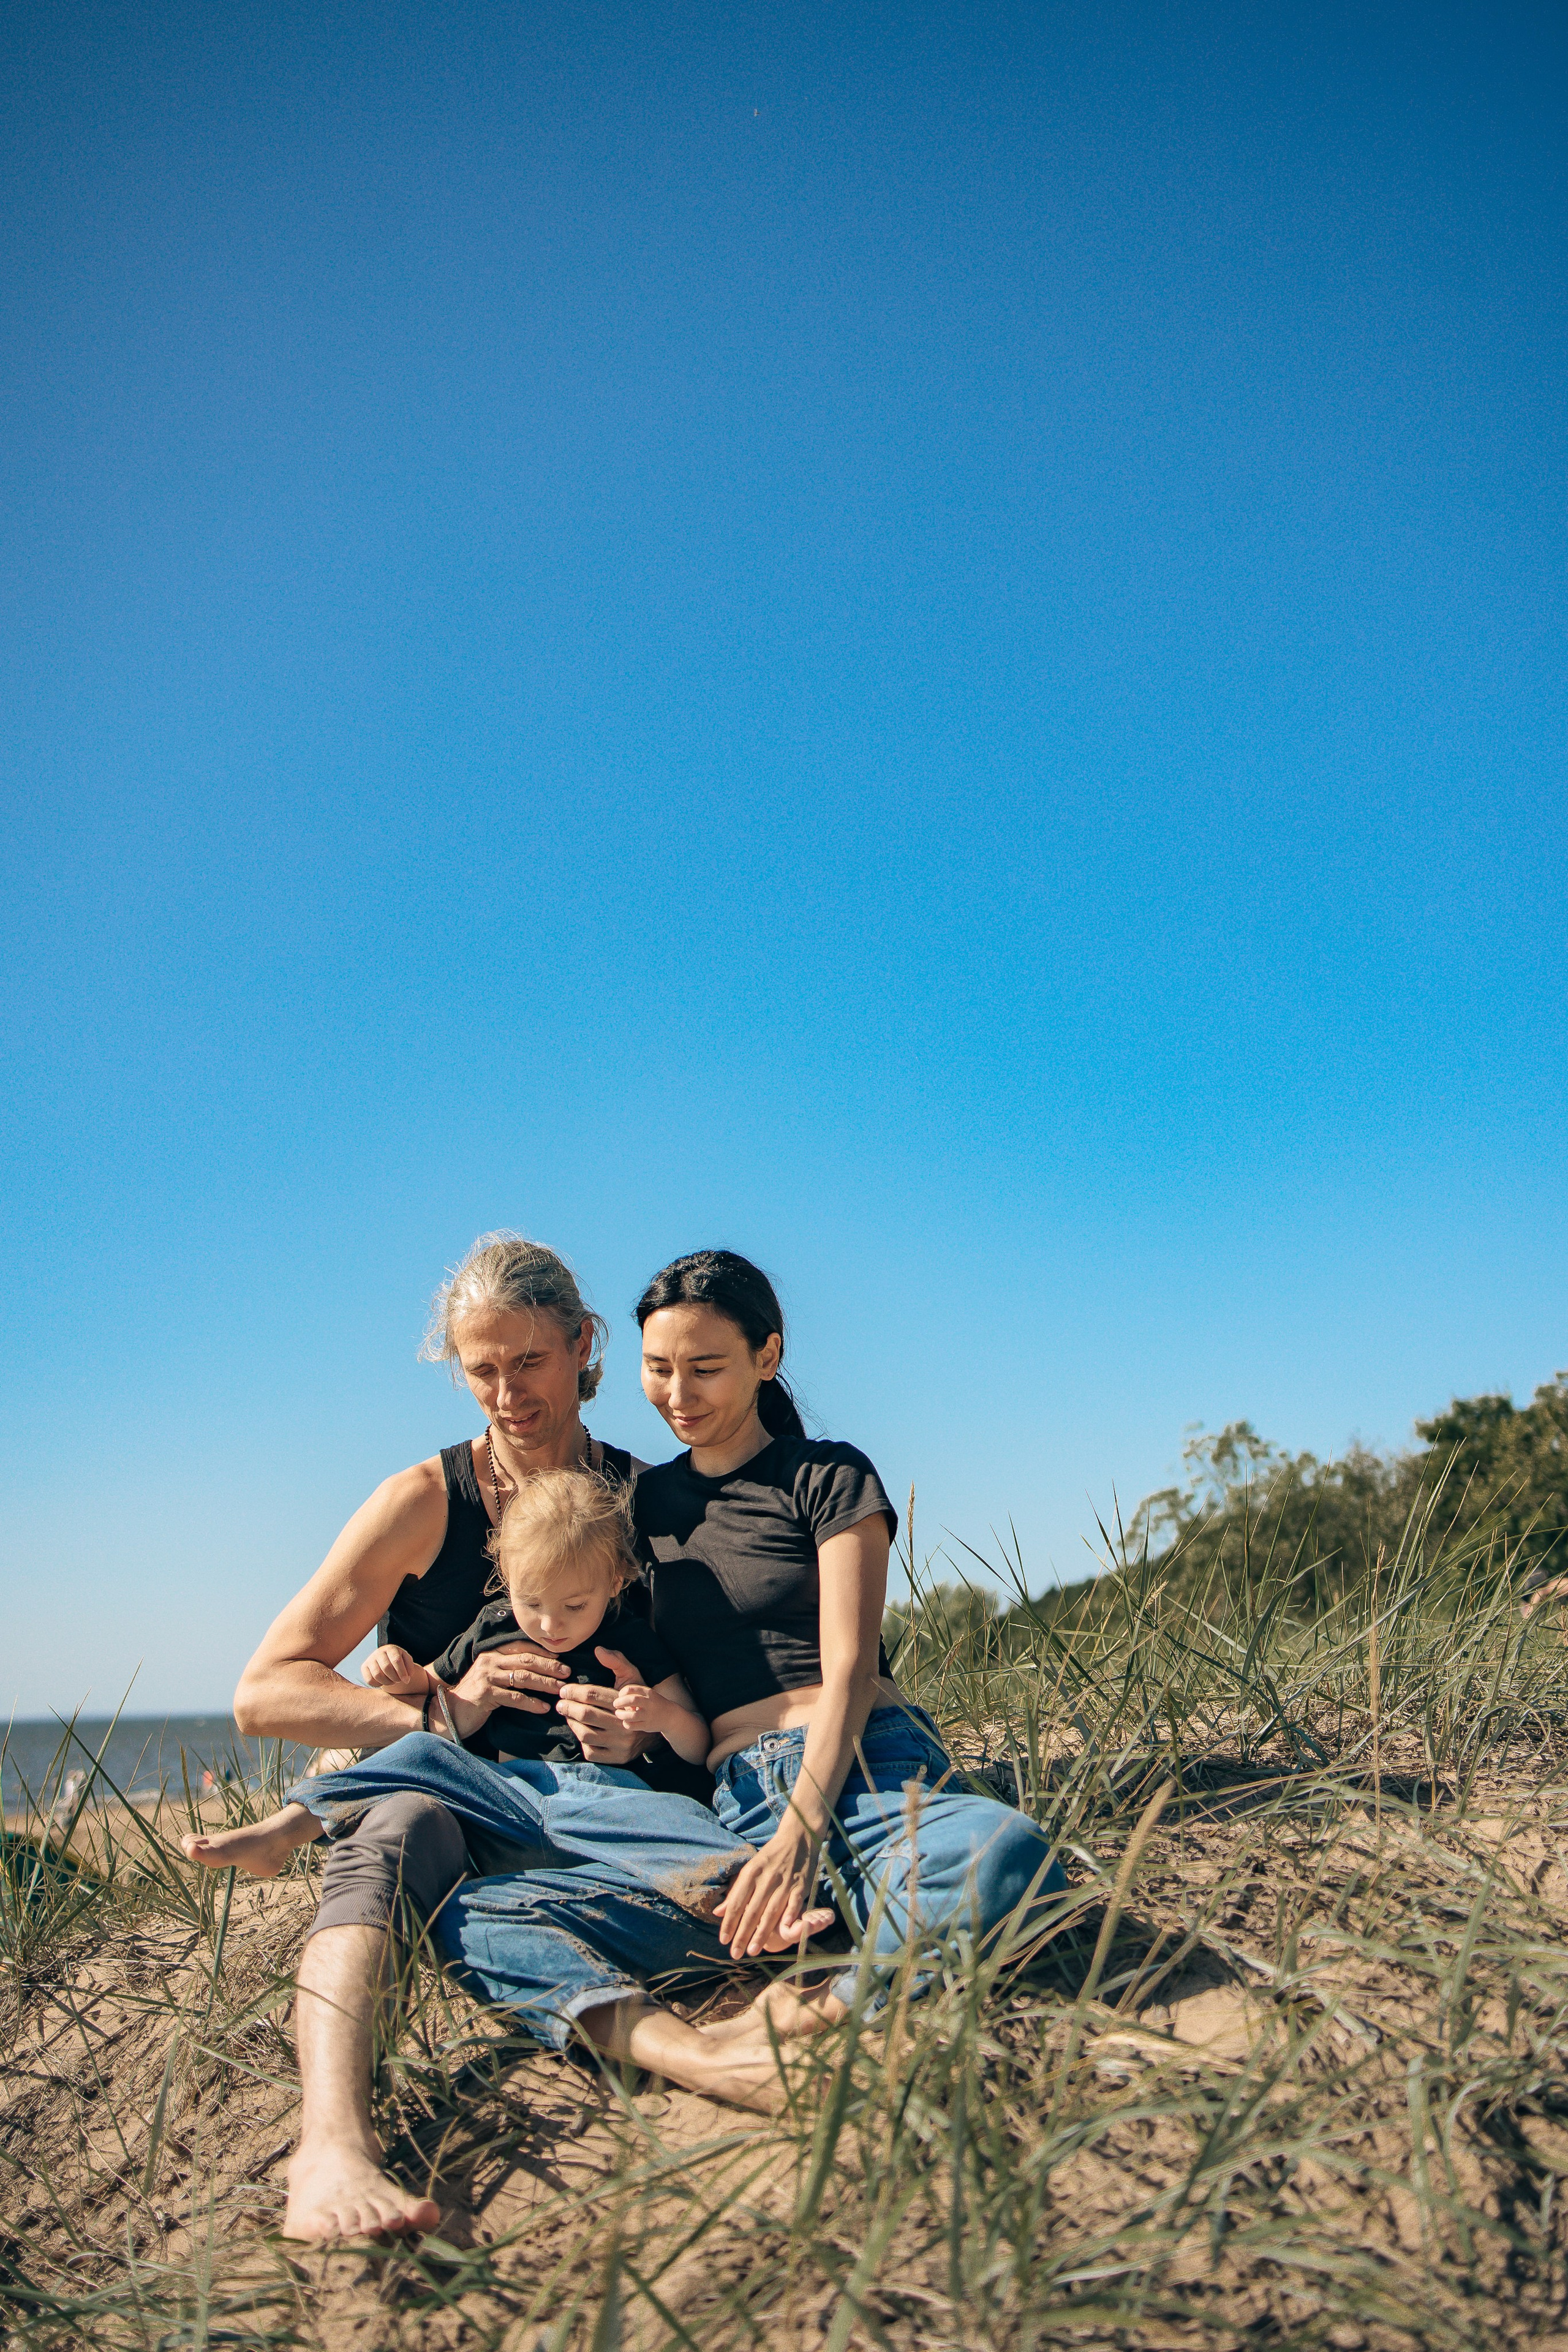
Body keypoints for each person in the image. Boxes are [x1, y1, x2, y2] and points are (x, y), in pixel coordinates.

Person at [184, 1467, 712, 1877]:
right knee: (419, 1749)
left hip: (601, 1793)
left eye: (575, 1606)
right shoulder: (495, 1627)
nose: (551, 1625)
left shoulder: (629, 1638)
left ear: (617, 1580)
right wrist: (401, 1672)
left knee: (682, 1826)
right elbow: (434, 1685)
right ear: (505, 1574)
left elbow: (696, 1740)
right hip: (501, 1793)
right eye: (532, 1602)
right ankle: (282, 1833)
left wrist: (658, 1717)